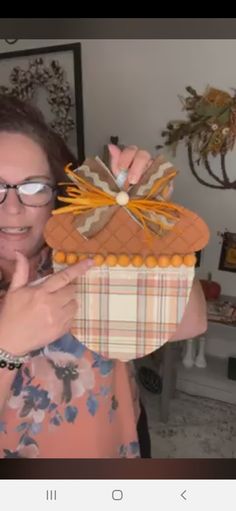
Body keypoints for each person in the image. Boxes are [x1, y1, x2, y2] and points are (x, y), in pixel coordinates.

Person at [0, 94, 207, 458]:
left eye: (33, 187)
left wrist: (144, 222)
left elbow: (190, 323)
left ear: (55, 195)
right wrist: (7, 347)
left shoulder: (83, 253)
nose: (13, 208)